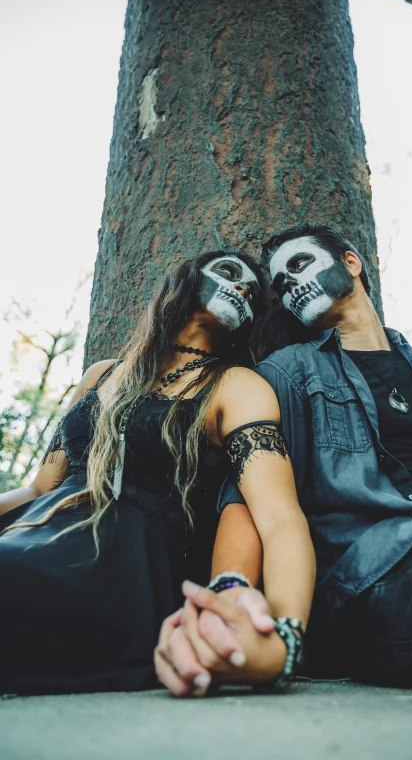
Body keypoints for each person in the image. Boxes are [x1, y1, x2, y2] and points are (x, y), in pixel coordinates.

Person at [159, 223, 412, 692]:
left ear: (351, 263)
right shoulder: (288, 372)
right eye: (281, 284)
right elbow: (248, 497)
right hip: (377, 577)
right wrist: (231, 597)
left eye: (299, 265)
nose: (290, 284)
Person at [0, 250, 315, 696]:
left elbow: (278, 518)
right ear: (185, 281)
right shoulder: (100, 375)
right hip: (33, 533)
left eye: (253, 290)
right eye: (229, 272)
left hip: (115, 566)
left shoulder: (236, 386)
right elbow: (38, 486)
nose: (243, 286)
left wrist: (285, 637)